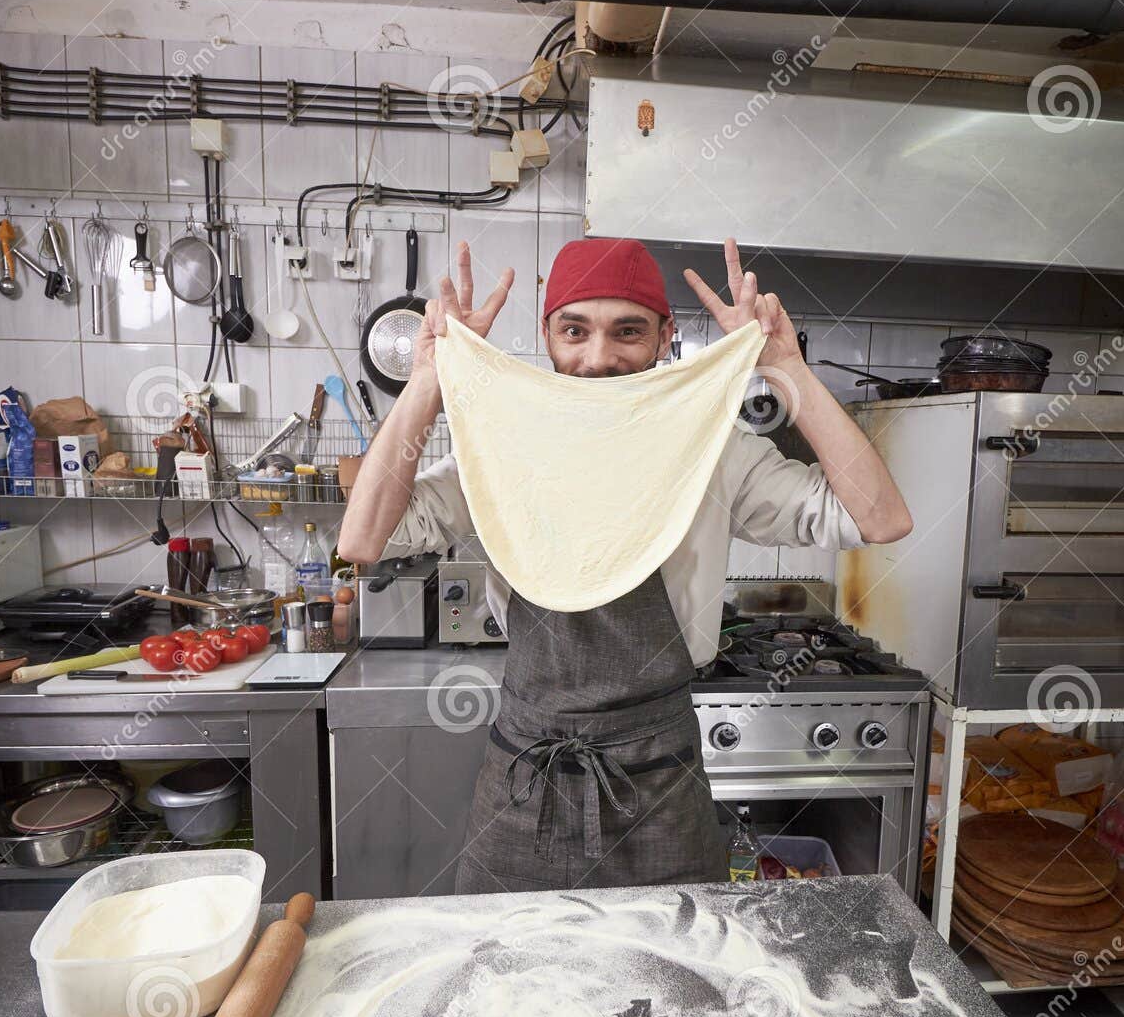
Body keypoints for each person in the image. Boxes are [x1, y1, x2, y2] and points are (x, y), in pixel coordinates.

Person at [337, 235, 911, 893]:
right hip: (529, 775)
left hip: (661, 782)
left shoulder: (713, 450)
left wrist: (786, 368)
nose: (597, 359)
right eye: (574, 330)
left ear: (666, 338)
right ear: (547, 335)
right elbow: (364, 539)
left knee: (674, 987)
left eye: (627, 332)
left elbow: (880, 517)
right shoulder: (505, 446)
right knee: (515, 979)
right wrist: (428, 384)